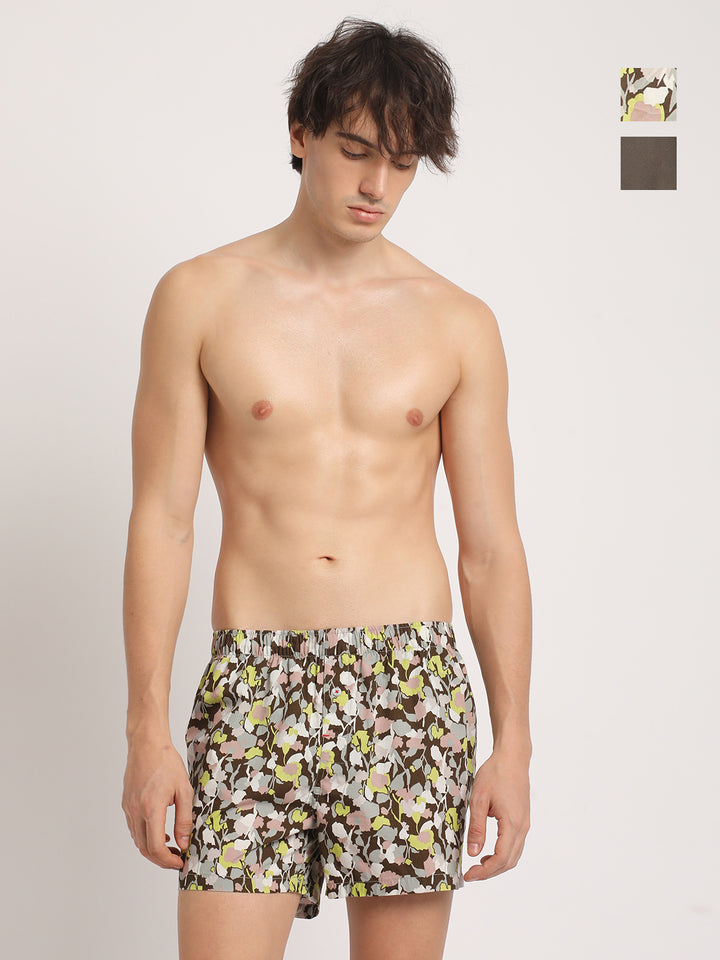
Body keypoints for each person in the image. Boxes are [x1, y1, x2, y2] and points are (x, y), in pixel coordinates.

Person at [121, 16, 532, 960]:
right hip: (256, 679)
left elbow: (490, 549)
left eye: (403, 162)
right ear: (300, 134)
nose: (377, 186)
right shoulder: (199, 297)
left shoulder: (459, 323)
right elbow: (163, 522)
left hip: (410, 684)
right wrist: (146, 732)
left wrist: (513, 743)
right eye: (355, 151)